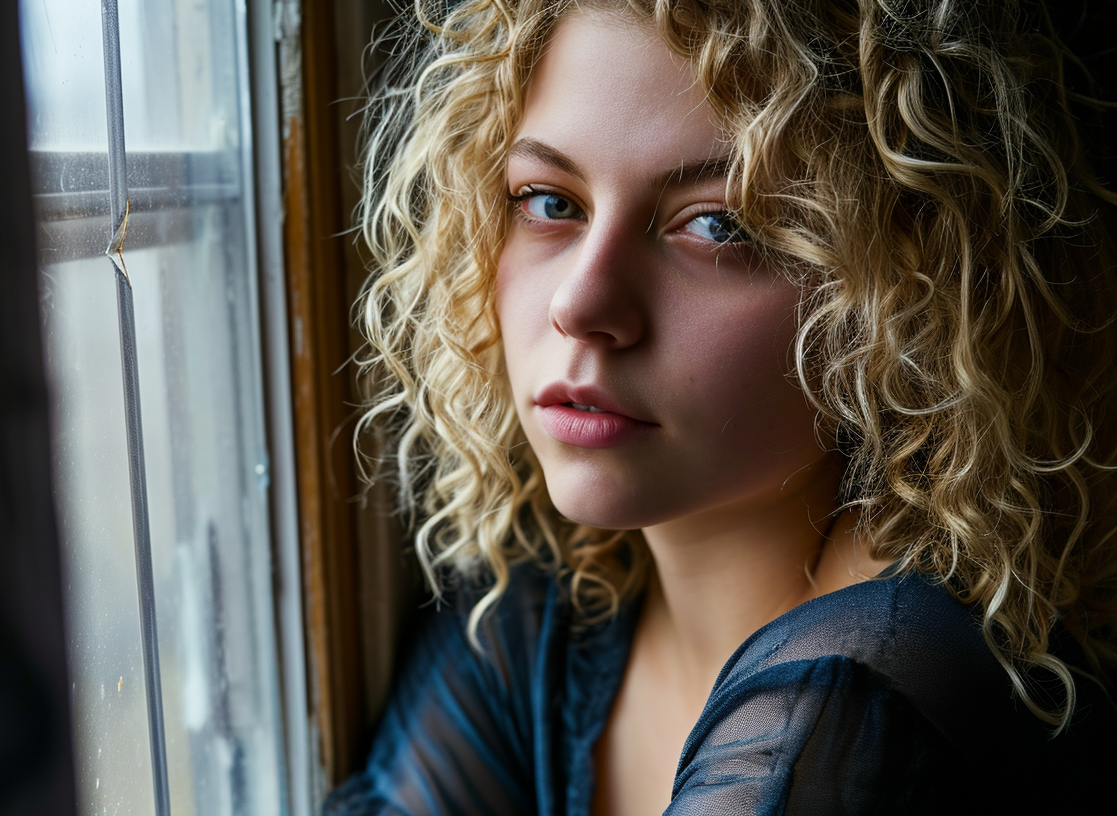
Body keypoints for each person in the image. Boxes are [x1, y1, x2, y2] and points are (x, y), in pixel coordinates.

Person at [330, 0, 1117, 814]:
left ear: (901, 291)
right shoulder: (541, 620)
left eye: (716, 222)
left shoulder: (862, 699)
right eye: (549, 203)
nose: (582, 302)